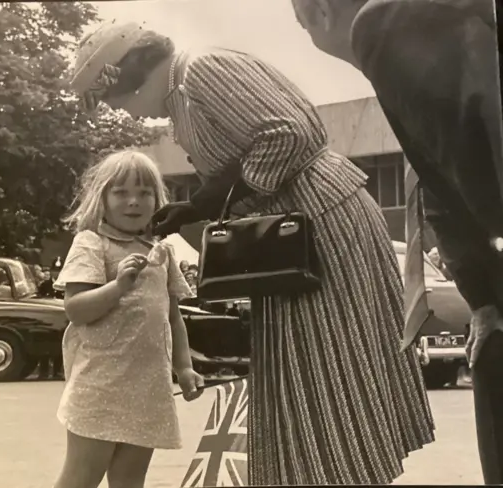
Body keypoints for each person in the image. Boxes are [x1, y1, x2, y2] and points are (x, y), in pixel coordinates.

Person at [68, 21, 434, 485]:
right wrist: (200, 206)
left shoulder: (201, 70)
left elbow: (289, 133)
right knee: (306, 377)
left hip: (319, 225)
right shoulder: (182, 95)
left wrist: (204, 200)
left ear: (122, 75)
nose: (122, 110)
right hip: (289, 240)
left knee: (332, 369)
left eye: (112, 97)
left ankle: (346, 474)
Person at [291, 0, 503, 483]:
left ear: (321, 11)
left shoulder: (387, 25)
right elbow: (446, 182)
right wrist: (483, 300)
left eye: (301, 26)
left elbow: (477, 148)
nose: (308, 39)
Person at [52, 150, 204, 488]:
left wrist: (184, 366)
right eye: (121, 192)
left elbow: (172, 317)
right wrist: (118, 286)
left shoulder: (161, 250)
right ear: (102, 198)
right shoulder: (91, 243)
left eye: (144, 193)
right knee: (81, 477)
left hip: (149, 388)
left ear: (157, 200)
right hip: (101, 385)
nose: (133, 201)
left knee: (130, 479)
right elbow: (75, 309)